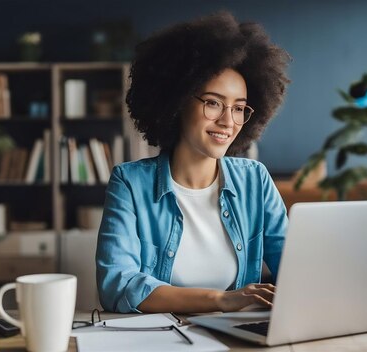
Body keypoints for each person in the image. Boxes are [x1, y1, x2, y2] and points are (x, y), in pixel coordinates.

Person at [96, 11, 291, 314]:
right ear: (177, 100)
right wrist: (220, 300)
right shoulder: (130, 183)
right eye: (213, 102)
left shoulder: (256, 180)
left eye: (239, 108)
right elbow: (117, 285)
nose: (228, 121)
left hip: (237, 339)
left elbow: (294, 270)